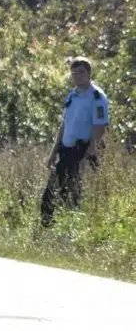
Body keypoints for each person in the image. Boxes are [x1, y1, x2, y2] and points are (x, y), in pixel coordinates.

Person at [40, 56, 109, 227]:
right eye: (74, 73)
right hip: (66, 148)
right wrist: (52, 153)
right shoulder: (73, 95)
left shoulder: (97, 97)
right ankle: (55, 228)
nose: (77, 76)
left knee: (65, 190)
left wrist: (92, 150)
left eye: (81, 72)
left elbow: (99, 125)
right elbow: (64, 124)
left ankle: (58, 226)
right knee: (62, 190)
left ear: (89, 73)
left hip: (82, 149)